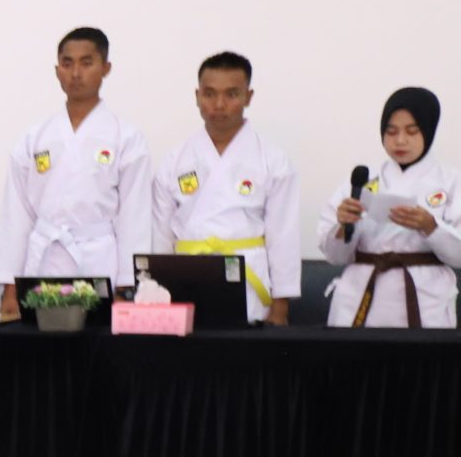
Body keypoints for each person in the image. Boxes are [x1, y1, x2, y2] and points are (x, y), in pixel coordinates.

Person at [0, 26, 150, 316]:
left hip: (99, 260)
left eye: (86, 63)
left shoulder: (126, 138)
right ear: (57, 71)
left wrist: (127, 286)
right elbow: (16, 215)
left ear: (106, 68)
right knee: (40, 339)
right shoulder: (35, 138)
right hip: (43, 259)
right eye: (67, 64)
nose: (76, 73)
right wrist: (10, 286)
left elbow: (134, 217)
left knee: (95, 337)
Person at [151, 51, 300, 324]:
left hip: (248, 281)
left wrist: (281, 306)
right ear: (197, 96)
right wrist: (156, 291)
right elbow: (161, 235)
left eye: (231, 94)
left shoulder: (273, 160)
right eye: (209, 94)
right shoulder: (174, 160)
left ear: (248, 97)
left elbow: (283, 237)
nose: (219, 104)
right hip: (186, 277)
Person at [319, 86, 461, 327]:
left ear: (429, 130)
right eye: (391, 131)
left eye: (412, 131)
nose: (400, 140)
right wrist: (343, 227)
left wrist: (431, 226)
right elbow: (334, 256)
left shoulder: (451, 181)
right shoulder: (363, 179)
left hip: (424, 301)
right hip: (360, 296)